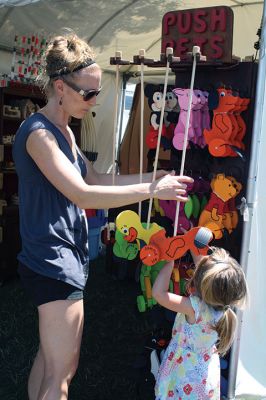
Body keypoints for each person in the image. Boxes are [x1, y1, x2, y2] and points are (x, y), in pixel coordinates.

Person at [12, 31, 193, 400]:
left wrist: (151, 176)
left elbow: (95, 178)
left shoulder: (64, 131)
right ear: (60, 86)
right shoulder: (38, 134)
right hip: (53, 260)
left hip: (61, 257)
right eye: (88, 93)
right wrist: (151, 192)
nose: (93, 102)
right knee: (62, 373)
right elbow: (82, 193)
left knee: (50, 361)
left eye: (98, 93)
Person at [152, 247, 248, 400]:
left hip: (184, 373)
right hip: (202, 374)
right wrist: (191, 241)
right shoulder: (223, 308)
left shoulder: (195, 308)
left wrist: (169, 262)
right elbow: (202, 265)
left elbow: (159, 294)